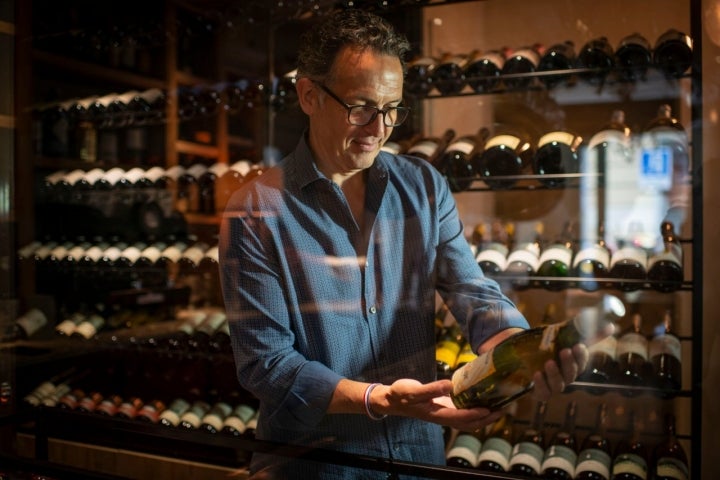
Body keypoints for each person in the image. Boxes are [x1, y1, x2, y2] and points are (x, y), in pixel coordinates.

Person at [219, 8, 588, 479]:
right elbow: (267, 366)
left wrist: (517, 347)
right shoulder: (254, 211)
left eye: (392, 109)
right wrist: (379, 400)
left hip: (418, 460)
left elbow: (471, 291)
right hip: (315, 466)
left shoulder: (424, 187)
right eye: (361, 107)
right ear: (308, 94)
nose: (379, 129)